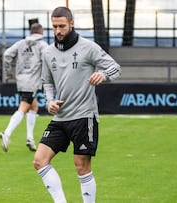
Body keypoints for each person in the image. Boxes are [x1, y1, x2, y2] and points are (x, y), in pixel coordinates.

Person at [33, 7, 121, 203]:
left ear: (71, 24)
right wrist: (49, 102)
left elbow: (116, 68)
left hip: (84, 116)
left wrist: (103, 74)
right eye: (54, 26)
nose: (58, 31)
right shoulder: (47, 52)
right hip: (60, 117)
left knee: (81, 166)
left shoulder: (88, 47)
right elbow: (47, 82)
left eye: (62, 26)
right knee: (39, 161)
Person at [0, 23, 48, 152]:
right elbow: (50, 59)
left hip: (21, 80)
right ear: (41, 32)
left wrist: (8, 71)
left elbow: (6, 55)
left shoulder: (21, 43)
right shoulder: (42, 45)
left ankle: (30, 138)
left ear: (30, 32)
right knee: (23, 107)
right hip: (32, 81)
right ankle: (7, 133)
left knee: (34, 107)